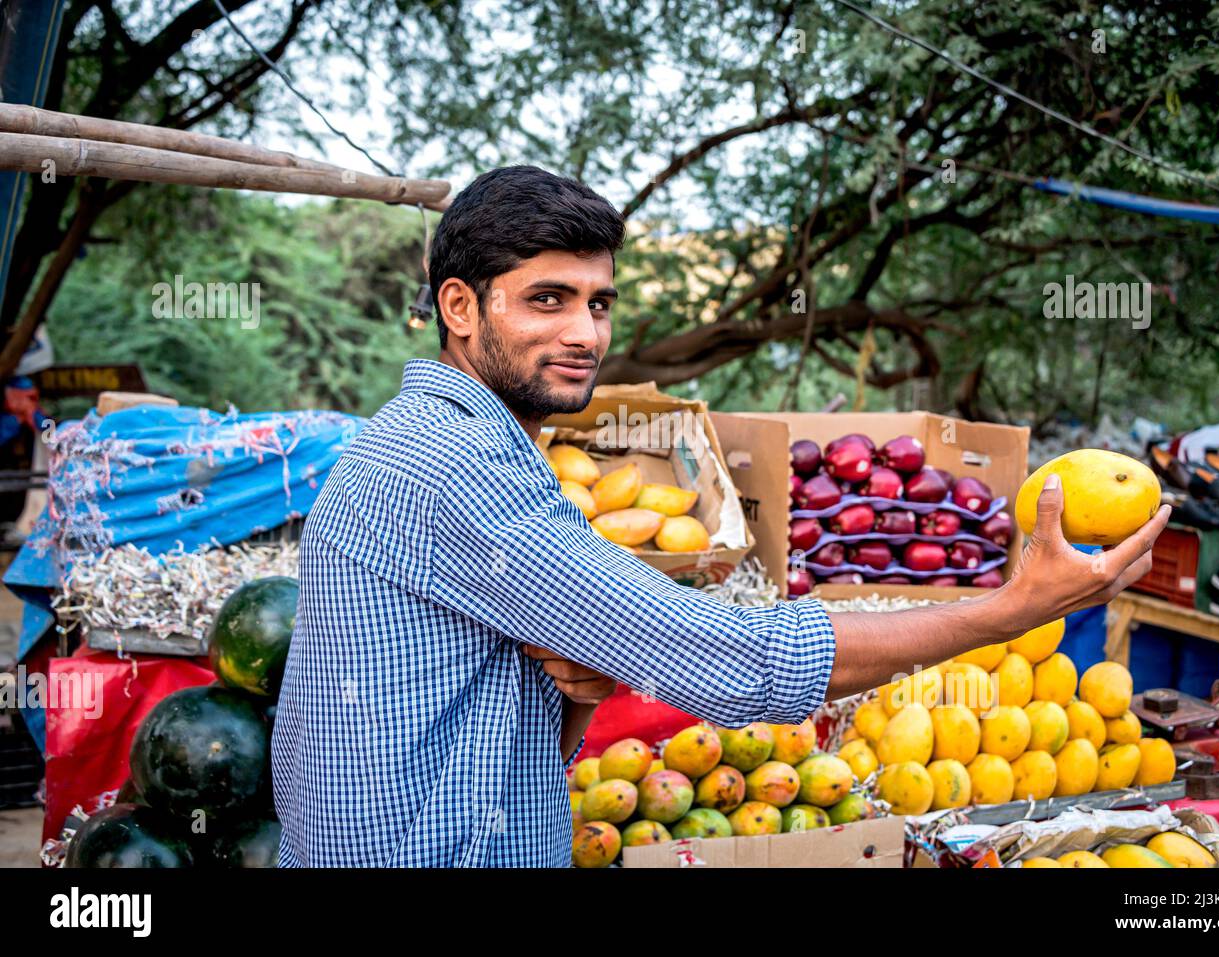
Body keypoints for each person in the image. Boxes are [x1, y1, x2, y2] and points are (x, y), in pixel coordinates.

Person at [270, 165, 1169, 867]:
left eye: (599, 302)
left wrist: (576, 682)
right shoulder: (449, 462)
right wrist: (1013, 608)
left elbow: (495, 685)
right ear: (459, 306)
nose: (585, 332)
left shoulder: (461, 441)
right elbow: (731, 659)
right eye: (548, 299)